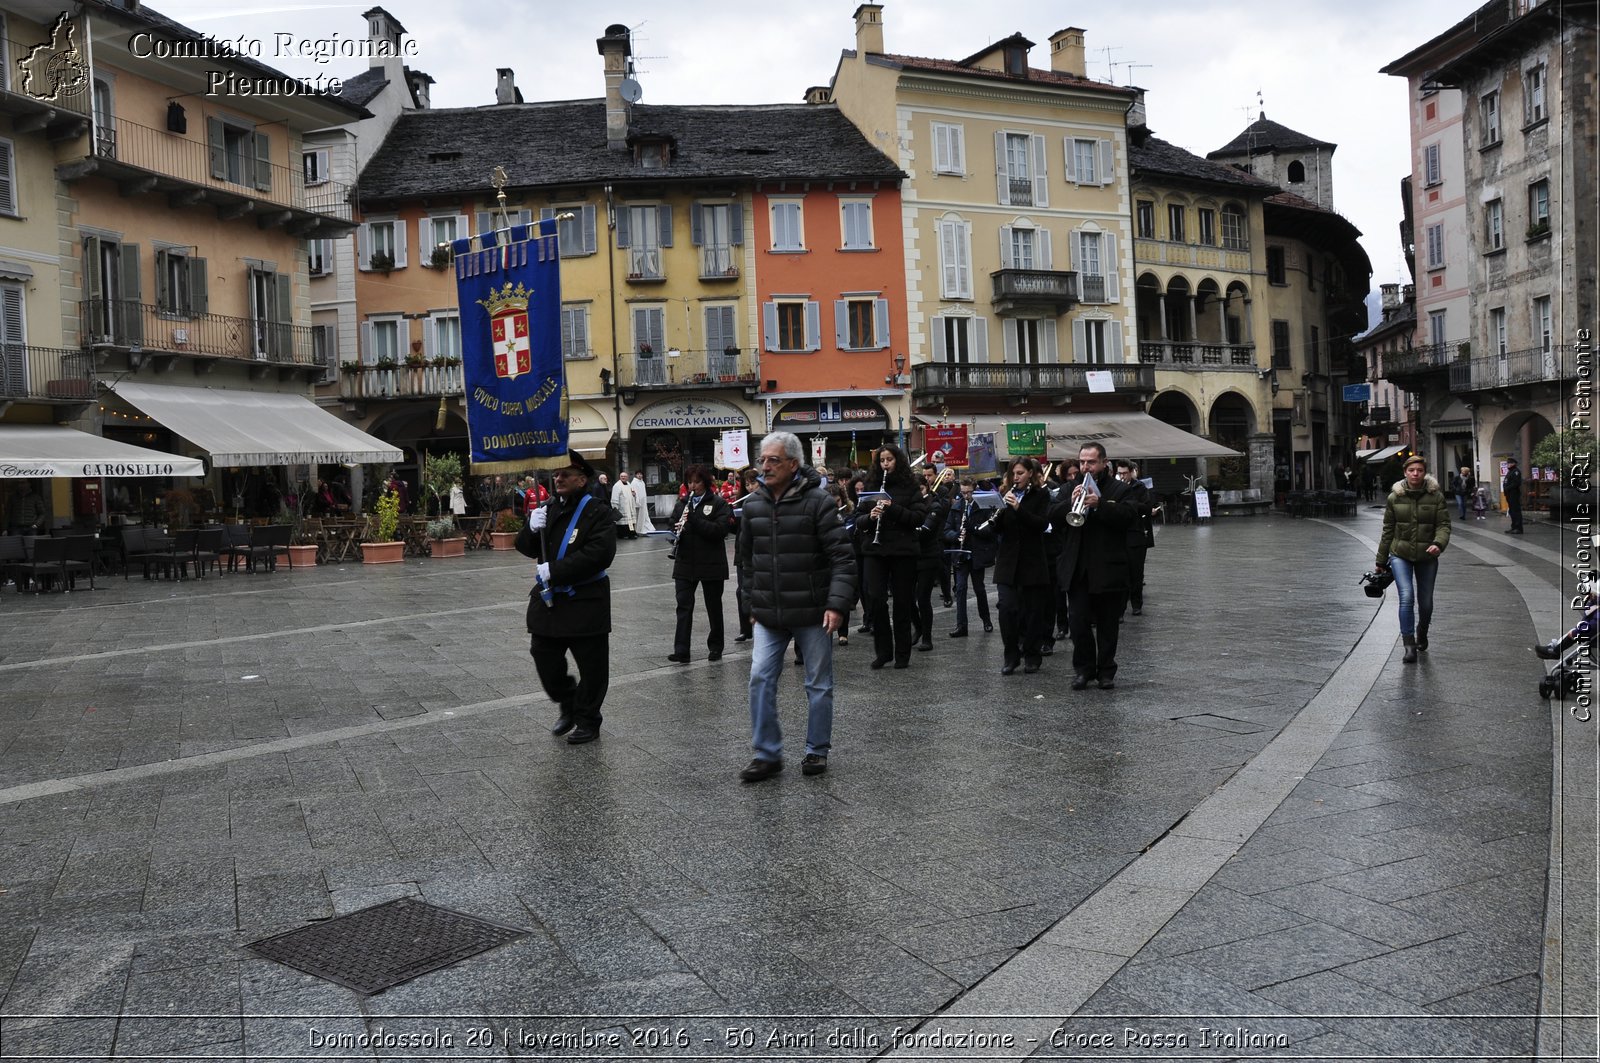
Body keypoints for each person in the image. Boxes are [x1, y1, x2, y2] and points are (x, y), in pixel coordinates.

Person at [736, 431, 856, 782]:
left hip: (813, 609)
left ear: (793, 464)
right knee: (759, 678)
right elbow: (745, 561)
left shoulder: (818, 502)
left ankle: (816, 750)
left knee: (818, 683)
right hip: (769, 612)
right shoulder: (753, 504)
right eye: (763, 460)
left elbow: (842, 558)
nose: (765, 466)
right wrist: (750, 604)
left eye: (773, 460)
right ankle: (767, 754)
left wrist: (836, 605)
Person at [516, 451, 618, 744]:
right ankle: (567, 699)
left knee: (593, 667)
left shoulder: (597, 510)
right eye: (556, 474)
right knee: (543, 655)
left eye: (565, 474)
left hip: (585, 600)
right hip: (550, 603)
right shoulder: (548, 508)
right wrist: (529, 528)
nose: (558, 478)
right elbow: (525, 547)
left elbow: (601, 554)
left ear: (581, 479)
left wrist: (556, 570)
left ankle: (588, 720)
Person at [1052, 443, 1138, 690]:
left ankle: (1106, 671)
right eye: (1082, 462)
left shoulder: (1119, 489)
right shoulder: (1069, 488)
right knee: (1077, 622)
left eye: (1090, 462)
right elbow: (1052, 517)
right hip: (1077, 568)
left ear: (1103, 462)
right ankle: (1083, 669)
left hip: (1108, 567)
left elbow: (1129, 517)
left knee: (1108, 623)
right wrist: (1071, 502)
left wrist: (1100, 505)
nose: (1085, 467)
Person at [858, 445, 928, 670]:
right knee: (876, 600)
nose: (885, 464)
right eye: (881, 460)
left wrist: (893, 508)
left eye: (889, 459)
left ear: (897, 460)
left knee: (902, 602)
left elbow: (918, 518)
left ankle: (902, 653)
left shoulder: (910, 486)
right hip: (875, 550)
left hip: (903, 550)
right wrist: (870, 516)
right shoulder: (871, 485)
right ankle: (883, 651)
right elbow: (858, 521)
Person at [1375, 454, 1451, 663]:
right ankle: (1409, 645)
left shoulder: (1435, 496)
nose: (1415, 474)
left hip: (1427, 555)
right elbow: (1388, 530)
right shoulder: (1394, 497)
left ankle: (1422, 632)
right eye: (1411, 470)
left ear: (1424, 472)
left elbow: (1443, 525)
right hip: (1400, 554)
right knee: (1407, 597)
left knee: (1425, 603)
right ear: (1405, 473)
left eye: (1419, 470)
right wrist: (1381, 561)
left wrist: (1439, 543)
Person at [989, 457, 1052, 675]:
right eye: (1013, 474)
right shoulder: (1005, 494)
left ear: (1030, 474)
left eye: (1020, 473)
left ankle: (1032, 654)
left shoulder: (1042, 494)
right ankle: (1011, 655)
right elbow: (999, 529)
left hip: (1032, 561)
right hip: (1007, 562)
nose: (1016, 478)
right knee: (1007, 609)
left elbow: (1042, 524)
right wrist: (995, 516)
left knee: (1033, 612)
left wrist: (1018, 508)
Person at [667, 465, 732, 665]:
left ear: (705, 482)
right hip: (685, 562)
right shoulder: (682, 504)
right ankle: (681, 650)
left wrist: (694, 521)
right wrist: (675, 532)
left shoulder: (719, 503)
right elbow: (671, 523)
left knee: (713, 606)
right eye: (690, 482)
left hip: (711, 563)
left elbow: (719, 531)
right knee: (683, 606)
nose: (692, 486)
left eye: (697, 482)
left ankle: (715, 646)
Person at [944, 478, 995, 637]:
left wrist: (972, 529)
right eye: (963, 493)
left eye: (969, 493)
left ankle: (986, 620)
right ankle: (961, 626)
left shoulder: (983, 506)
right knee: (960, 589)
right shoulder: (956, 506)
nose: (966, 496)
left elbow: (989, 530)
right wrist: (957, 535)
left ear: (975, 489)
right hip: (961, 553)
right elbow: (946, 530)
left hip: (976, 552)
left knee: (979, 588)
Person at [912, 477, 951, 651]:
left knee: (923, 598)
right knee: (906, 597)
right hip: (911, 555)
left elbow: (926, 531)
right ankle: (918, 627)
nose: (918, 492)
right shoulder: (911, 504)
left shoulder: (934, 505)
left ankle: (927, 637)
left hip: (928, 555)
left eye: (920, 488)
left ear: (926, 487)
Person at [1115, 459, 1155, 616]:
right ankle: (1120, 608)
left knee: (1136, 572)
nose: (1122, 476)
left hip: (1136, 533)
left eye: (1125, 473)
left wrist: (1131, 504)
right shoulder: (1115, 487)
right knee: (1120, 573)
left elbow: (1147, 506)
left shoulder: (1139, 487)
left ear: (1131, 472)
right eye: (1120, 473)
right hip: (1120, 534)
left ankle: (1137, 603)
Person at [610, 471, 639, 539]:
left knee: (630, 521)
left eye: (625, 476)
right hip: (622, 507)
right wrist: (615, 507)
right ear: (620, 477)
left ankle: (631, 534)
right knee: (622, 523)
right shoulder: (617, 486)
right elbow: (614, 497)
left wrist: (634, 495)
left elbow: (632, 494)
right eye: (622, 476)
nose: (623, 477)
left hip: (629, 507)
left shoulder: (629, 484)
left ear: (627, 477)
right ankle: (622, 535)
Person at [1503, 458, 1523, 534]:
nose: (1507, 465)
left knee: (1516, 511)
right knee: (1512, 511)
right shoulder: (1510, 472)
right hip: (1509, 494)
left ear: (1513, 464)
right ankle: (1514, 527)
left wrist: (1507, 488)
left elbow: (1516, 483)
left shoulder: (1516, 472)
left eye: (1509, 463)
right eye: (1507, 463)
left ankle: (1518, 528)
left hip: (1514, 494)